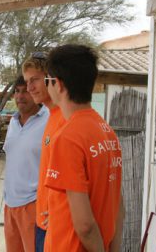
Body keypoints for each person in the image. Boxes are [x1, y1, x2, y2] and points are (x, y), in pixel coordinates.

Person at [44, 44, 124, 252]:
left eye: (47, 80)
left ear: (58, 85)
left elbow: (85, 226)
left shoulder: (68, 138)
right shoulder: (107, 131)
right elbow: (118, 206)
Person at [22, 52, 66, 252]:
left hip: (55, 226)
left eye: (34, 80)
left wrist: (61, 215)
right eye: (27, 81)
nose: (29, 87)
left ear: (51, 78)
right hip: (43, 220)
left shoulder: (66, 118)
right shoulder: (52, 116)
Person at [3, 75, 49, 252]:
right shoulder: (13, 122)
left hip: (34, 205)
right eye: (17, 91)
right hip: (10, 205)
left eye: (26, 91)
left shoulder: (49, 119)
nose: (20, 96)